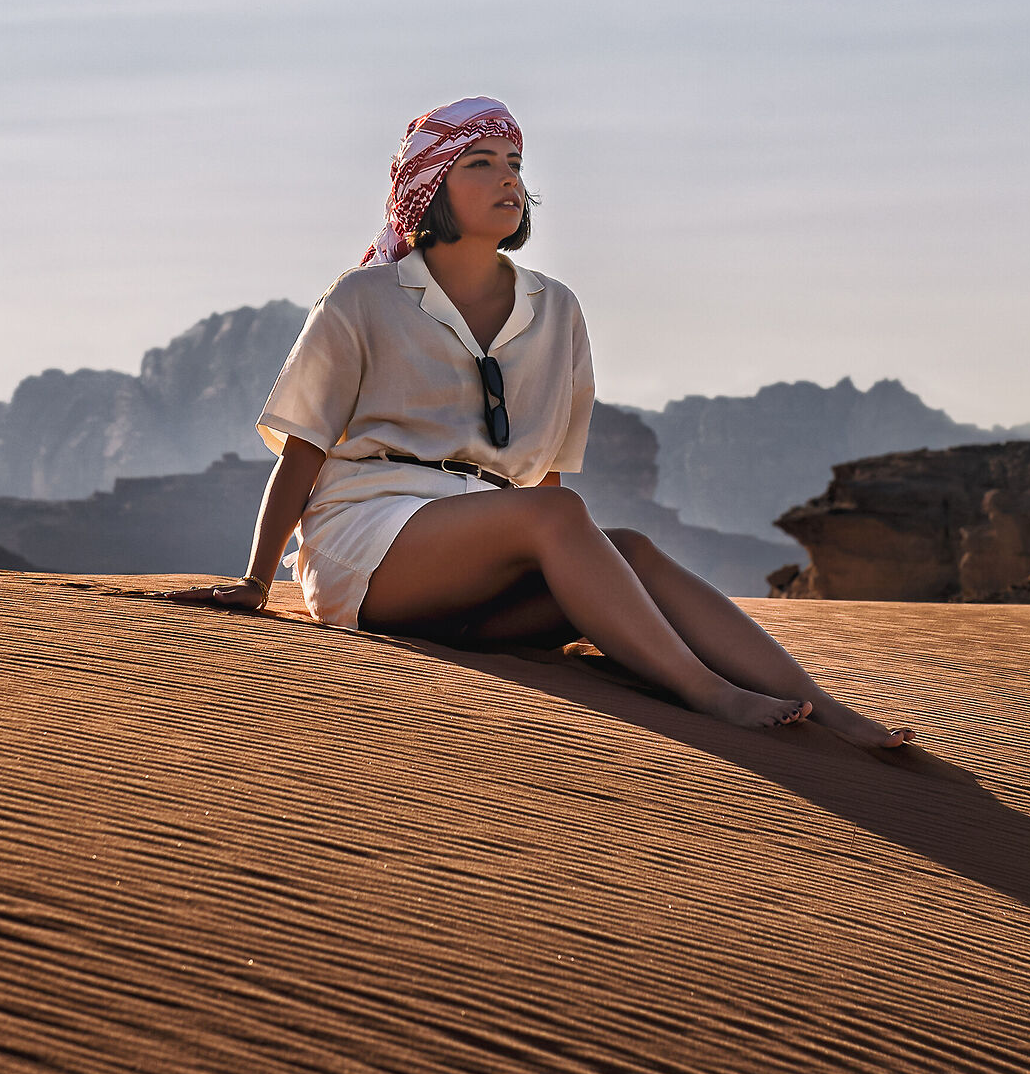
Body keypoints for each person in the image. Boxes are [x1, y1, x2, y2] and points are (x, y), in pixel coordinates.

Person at [168, 96, 914, 749]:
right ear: (429, 187)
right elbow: (303, 448)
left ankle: (829, 712)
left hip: (485, 560)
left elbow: (544, 474)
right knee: (558, 515)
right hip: (369, 542)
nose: (509, 180)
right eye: (481, 164)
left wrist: (570, 572)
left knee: (630, 548)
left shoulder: (557, 309)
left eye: (515, 164)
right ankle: (709, 693)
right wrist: (257, 579)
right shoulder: (364, 297)